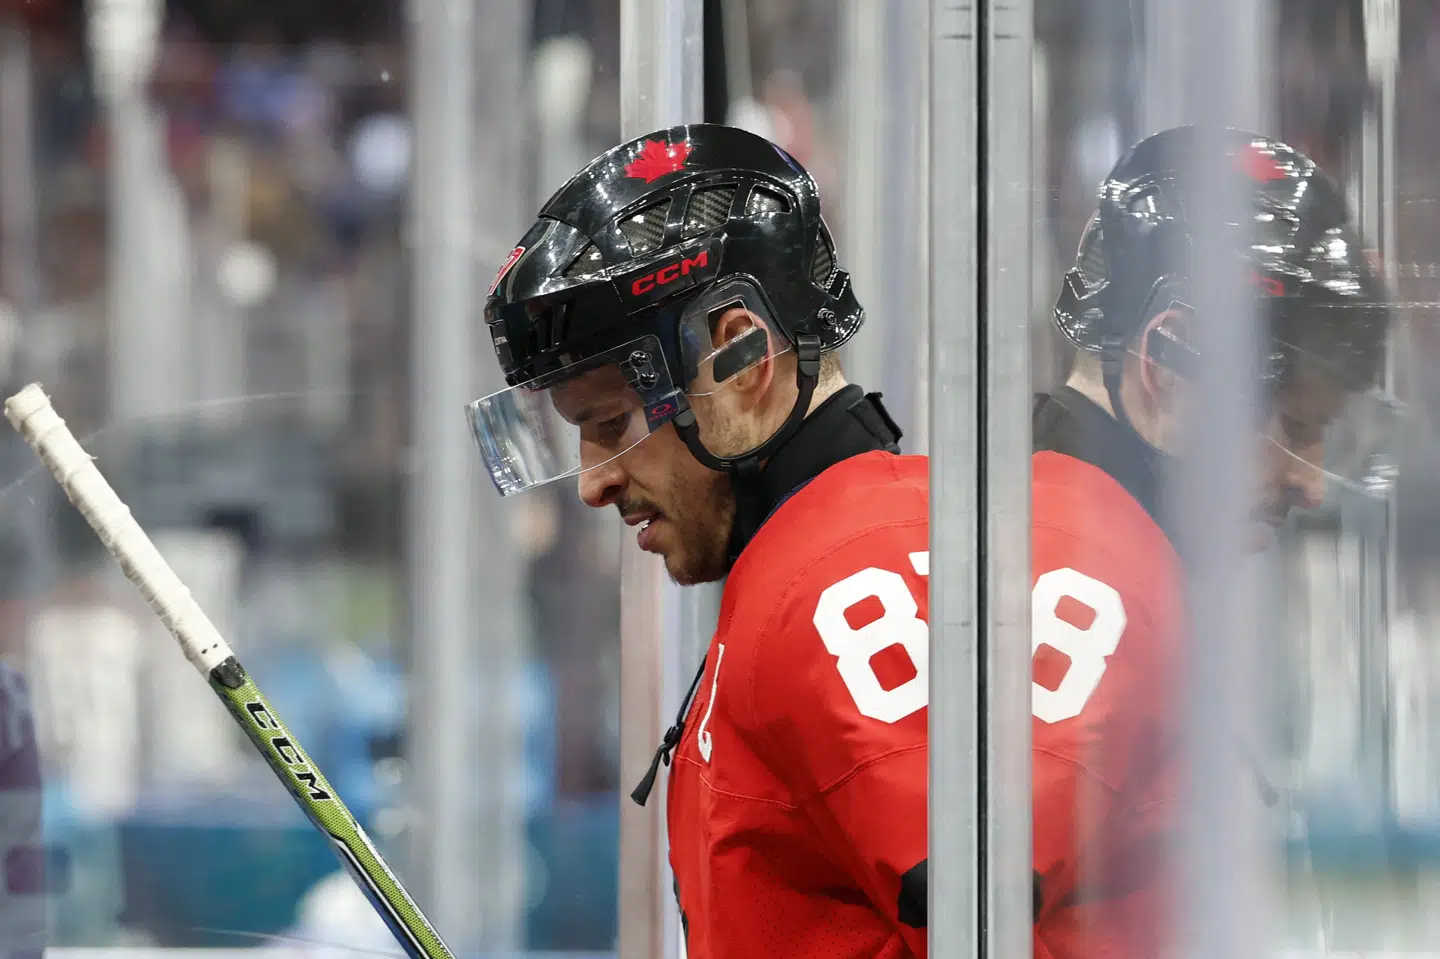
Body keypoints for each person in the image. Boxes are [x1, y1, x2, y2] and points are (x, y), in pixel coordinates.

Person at [468, 124, 929, 957]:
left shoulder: (850, 584)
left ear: (740, 358)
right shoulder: (808, 563)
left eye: (610, 421)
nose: (592, 482)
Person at [1030, 126, 1394, 959]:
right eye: (1296, 428)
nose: (1310, 483)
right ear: (1167, 358)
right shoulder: (1073, 585)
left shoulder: (1085, 543)